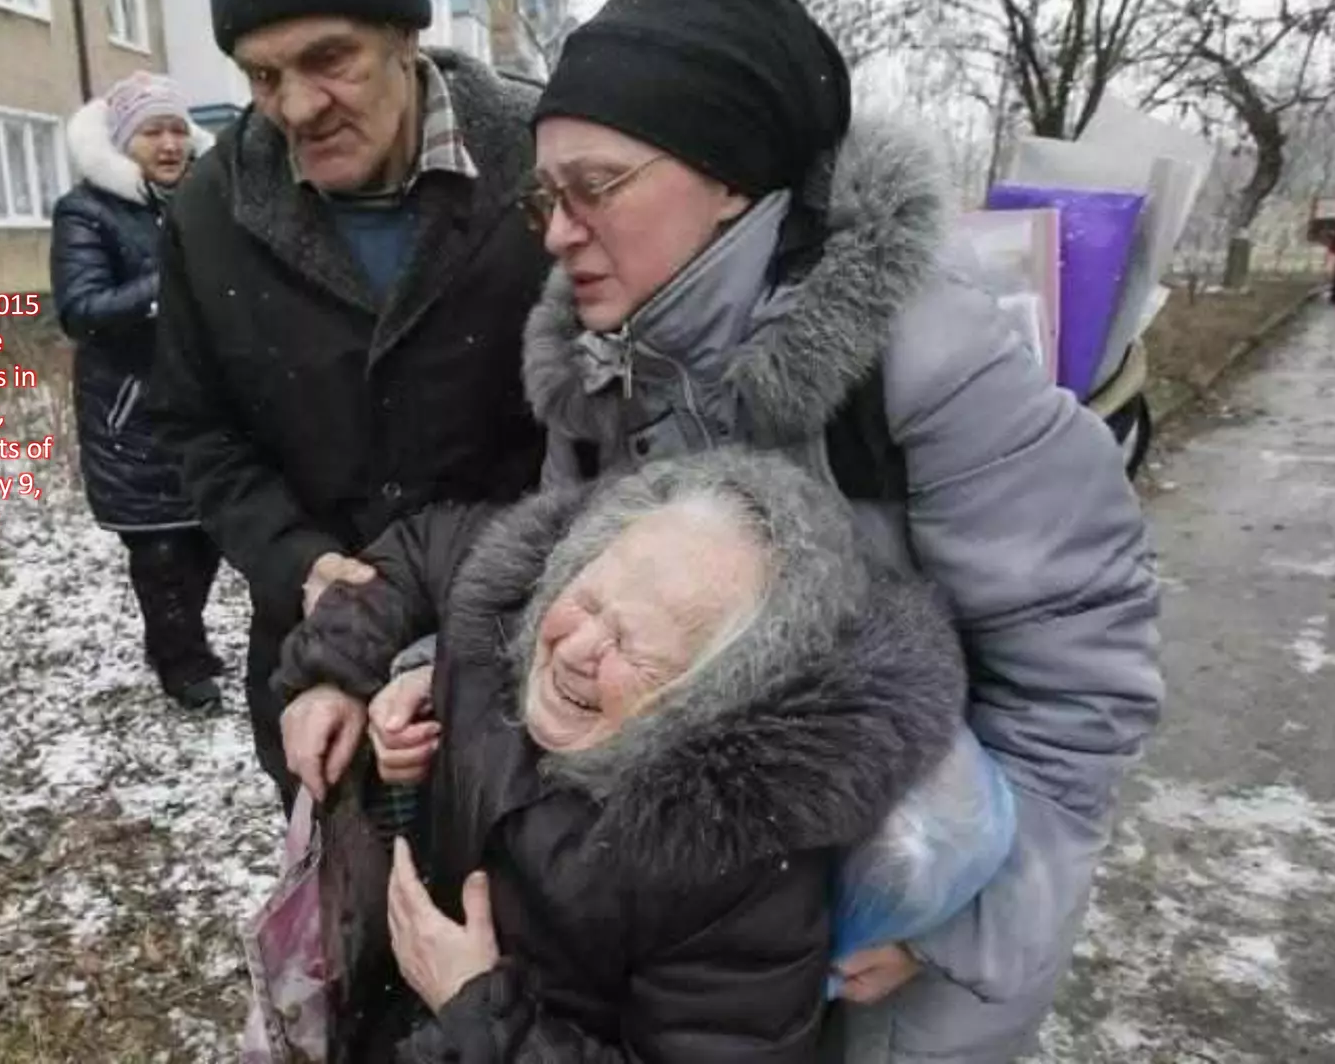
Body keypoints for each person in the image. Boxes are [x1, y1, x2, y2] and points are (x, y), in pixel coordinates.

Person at [504, 0, 1160, 1061]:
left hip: (892, 948)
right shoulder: (603, 373)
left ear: (727, 178)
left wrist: (953, 923)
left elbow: (1079, 684)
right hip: (713, 940)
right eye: (544, 196)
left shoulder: (923, 362)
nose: (560, 232)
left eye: (595, 186)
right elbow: (560, 601)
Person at [273, 450, 975, 1061]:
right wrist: (336, 673)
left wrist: (480, 1010)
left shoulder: (739, 875)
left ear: (715, 698)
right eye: (585, 602)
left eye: (634, 647)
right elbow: (423, 552)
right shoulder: (523, 587)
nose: (575, 651)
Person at [149, 0, 554, 806]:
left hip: (530, 662)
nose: (296, 107)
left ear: (406, 36)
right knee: (346, 928)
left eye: (330, 59)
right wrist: (299, 561)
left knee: (524, 923)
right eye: (263, 75)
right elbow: (197, 429)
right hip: (316, 672)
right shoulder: (210, 214)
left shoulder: (543, 162)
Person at [51, 72, 225, 711]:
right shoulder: (86, 211)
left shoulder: (204, 200)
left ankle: (184, 643)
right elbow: (81, 308)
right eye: (153, 131)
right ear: (125, 141)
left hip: (204, 408)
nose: (170, 144)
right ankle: (182, 666)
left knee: (206, 541)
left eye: (178, 129)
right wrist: (167, 283)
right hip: (133, 413)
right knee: (160, 554)